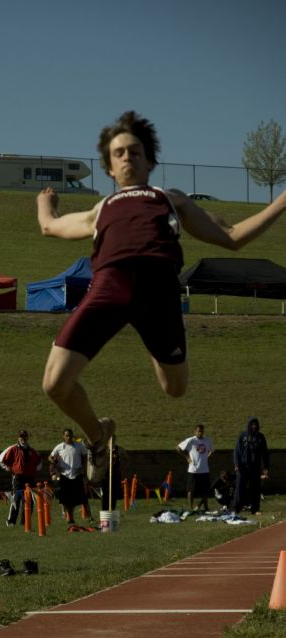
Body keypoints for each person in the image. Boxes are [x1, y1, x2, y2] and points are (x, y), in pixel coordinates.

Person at [36, 110, 286, 486]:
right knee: (54, 384)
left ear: (150, 160)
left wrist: (280, 203)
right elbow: (50, 226)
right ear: (108, 167)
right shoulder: (100, 209)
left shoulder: (170, 199)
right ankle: (98, 435)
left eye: (135, 151)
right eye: (118, 152)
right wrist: (46, 203)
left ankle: (152, 340)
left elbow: (232, 236)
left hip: (160, 294)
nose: (127, 157)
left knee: (175, 388)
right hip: (110, 288)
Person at [0, 430, 42, 526]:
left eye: (24, 437)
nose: (23, 439)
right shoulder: (13, 449)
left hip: (30, 478)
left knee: (30, 500)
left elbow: (39, 462)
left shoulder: (32, 451)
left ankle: (25, 521)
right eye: (21, 437)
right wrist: (9, 469)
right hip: (18, 478)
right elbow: (1, 460)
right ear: (18, 438)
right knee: (16, 499)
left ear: (27, 437)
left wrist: (34, 470)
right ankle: (11, 521)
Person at [48, 428, 88, 524]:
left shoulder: (79, 446)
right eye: (66, 435)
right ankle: (69, 517)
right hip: (64, 476)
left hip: (76, 475)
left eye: (70, 435)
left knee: (75, 499)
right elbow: (50, 457)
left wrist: (83, 467)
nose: (68, 437)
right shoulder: (59, 447)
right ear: (63, 436)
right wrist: (57, 465)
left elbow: (86, 456)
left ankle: (70, 515)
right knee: (65, 499)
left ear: (72, 436)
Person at [233, 417, 269, 515]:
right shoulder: (242, 436)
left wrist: (266, 467)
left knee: (255, 489)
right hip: (243, 467)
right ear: (249, 425)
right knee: (240, 488)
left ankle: (255, 509)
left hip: (255, 467)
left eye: (255, 424)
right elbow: (236, 451)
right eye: (252, 424)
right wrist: (236, 464)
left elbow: (265, 453)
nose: (254, 426)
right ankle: (236, 509)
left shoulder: (260, 437)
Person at [176, 424, 214, 511]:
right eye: (198, 431)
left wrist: (207, 457)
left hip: (204, 470)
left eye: (202, 431)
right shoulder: (191, 440)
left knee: (205, 491)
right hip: (193, 470)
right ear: (195, 431)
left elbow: (212, 450)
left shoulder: (207, 440)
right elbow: (178, 448)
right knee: (191, 490)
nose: (200, 433)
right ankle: (191, 508)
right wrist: (187, 457)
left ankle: (206, 507)